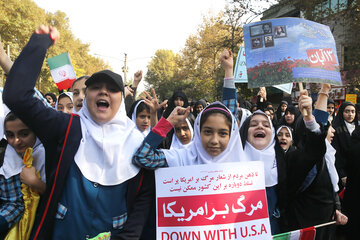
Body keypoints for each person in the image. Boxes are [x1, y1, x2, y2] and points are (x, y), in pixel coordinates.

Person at [3, 25, 154, 239]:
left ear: (121, 100)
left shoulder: (139, 144)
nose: (103, 91)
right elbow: (16, 96)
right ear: (86, 97)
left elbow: (143, 203)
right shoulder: (65, 127)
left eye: (112, 89)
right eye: (95, 87)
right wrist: (39, 42)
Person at [240, 90, 328, 235]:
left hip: (277, 231)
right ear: (244, 132)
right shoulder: (233, 161)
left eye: (266, 125)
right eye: (254, 124)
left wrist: (309, 118)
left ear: (272, 133)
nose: (260, 127)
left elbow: (313, 152)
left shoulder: (286, 161)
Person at [0, 112, 46, 238]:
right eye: (10, 135)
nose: (16, 141)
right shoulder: (9, 154)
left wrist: (34, 182)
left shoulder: (44, 153)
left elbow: (57, 195)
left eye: (24, 134)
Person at [332, 101, 358, 190]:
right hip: (342, 172)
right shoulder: (336, 129)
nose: (350, 114)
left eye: (353, 111)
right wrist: (342, 174)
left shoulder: (357, 128)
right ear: (342, 112)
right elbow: (336, 153)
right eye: (347, 111)